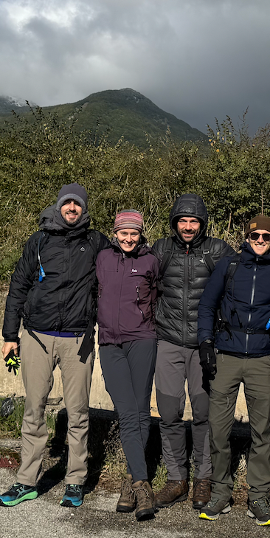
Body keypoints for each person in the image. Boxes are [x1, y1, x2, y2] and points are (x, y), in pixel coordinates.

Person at [0, 183, 109, 508]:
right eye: (67, 203)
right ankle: (26, 482)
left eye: (78, 204)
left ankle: (75, 481)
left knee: (78, 413)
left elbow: (118, 272)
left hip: (78, 339)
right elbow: (17, 286)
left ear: (84, 209)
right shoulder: (40, 240)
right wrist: (9, 336)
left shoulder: (96, 242)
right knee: (33, 410)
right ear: (59, 205)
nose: (72, 208)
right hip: (36, 337)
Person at [195, 215, 270, 526]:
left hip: (262, 359)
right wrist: (206, 345)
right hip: (225, 355)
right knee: (219, 428)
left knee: (261, 431)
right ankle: (221, 493)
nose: (261, 241)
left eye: (267, 236)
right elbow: (207, 306)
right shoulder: (229, 266)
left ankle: (259, 497)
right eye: (256, 236)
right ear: (247, 237)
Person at [151, 194, 236, 509]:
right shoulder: (162, 249)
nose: (188, 227)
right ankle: (176, 479)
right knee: (170, 414)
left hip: (205, 346)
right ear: (174, 222)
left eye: (194, 221)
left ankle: (203, 479)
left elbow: (244, 276)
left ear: (203, 223)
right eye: (182, 221)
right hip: (168, 342)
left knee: (203, 415)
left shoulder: (217, 251)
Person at [96, 210, 160, 521]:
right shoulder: (102, 258)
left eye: (134, 233)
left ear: (141, 234)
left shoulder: (150, 260)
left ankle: (132, 485)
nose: (129, 238)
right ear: (115, 232)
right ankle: (141, 482)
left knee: (140, 410)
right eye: (124, 233)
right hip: (110, 343)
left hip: (142, 340)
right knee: (127, 411)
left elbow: (157, 296)